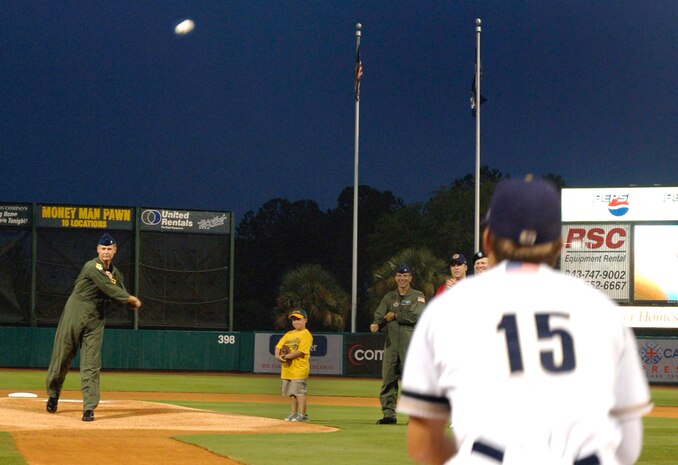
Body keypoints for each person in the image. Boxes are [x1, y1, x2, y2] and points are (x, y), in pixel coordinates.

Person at [397, 176, 652, 465]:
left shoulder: (448, 308)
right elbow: (628, 444)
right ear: (560, 244)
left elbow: (423, 444)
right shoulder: (601, 310)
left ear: (488, 239)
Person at [45, 232, 142, 422]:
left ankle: (89, 408)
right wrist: (129, 299)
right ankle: (53, 394)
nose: (106, 252)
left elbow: (118, 291)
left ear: (115, 251)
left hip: (96, 319)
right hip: (76, 312)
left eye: (109, 249)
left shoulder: (115, 273)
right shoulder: (91, 266)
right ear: (98, 249)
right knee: (61, 359)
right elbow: (111, 290)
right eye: (103, 248)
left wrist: (126, 299)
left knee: (91, 364)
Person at [370, 264, 426, 424]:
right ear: (395, 278)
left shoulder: (417, 295)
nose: (402, 278)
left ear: (410, 278)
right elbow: (380, 315)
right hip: (391, 344)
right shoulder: (389, 297)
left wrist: (394, 315)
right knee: (388, 379)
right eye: (399, 276)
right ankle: (388, 415)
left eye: (405, 275)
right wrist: (377, 324)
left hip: (411, 345)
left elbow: (416, 315)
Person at [275, 308, 313, 422]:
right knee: (292, 393)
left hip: (299, 368)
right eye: (293, 319)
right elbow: (278, 346)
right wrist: (277, 356)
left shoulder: (306, 334)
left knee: (299, 392)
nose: (295, 322)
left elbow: (300, 351)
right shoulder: (289, 334)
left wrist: (285, 357)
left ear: (305, 320)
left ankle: (303, 414)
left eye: (298, 319)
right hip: (287, 369)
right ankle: (294, 413)